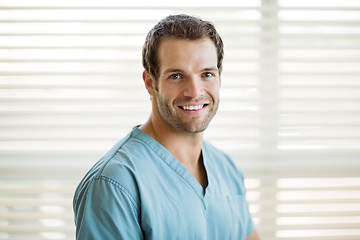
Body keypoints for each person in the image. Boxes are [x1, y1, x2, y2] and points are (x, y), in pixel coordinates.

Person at [73, 14, 260, 240]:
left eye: (207, 74)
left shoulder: (226, 169)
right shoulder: (114, 184)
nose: (194, 91)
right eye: (176, 76)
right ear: (150, 83)